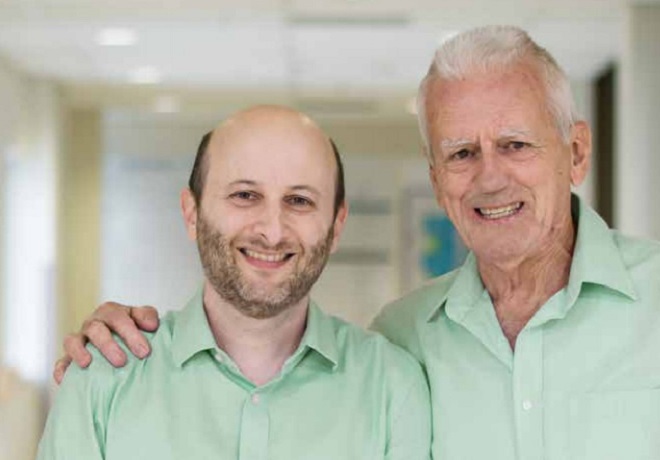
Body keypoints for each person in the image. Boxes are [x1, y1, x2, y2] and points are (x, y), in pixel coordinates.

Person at [56, 26, 660, 459]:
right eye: (461, 153)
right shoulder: (404, 345)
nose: (489, 177)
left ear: (576, 152)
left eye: (516, 144)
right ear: (438, 179)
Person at [38, 106, 431, 460]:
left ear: (336, 225)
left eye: (299, 201)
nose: (273, 231)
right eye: (245, 195)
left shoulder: (392, 387)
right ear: (192, 213)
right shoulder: (103, 379)